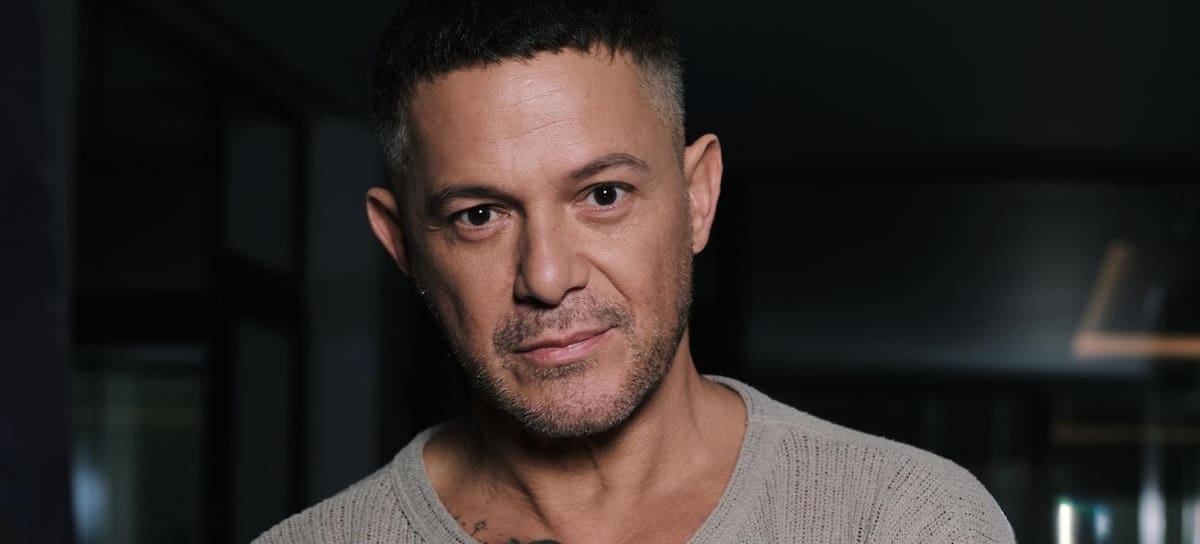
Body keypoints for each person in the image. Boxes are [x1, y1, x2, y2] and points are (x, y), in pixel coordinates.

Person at [255, 1, 1014, 542]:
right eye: (480, 215)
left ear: (698, 199)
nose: (547, 277)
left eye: (603, 195)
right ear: (402, 246)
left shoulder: (905, 520)